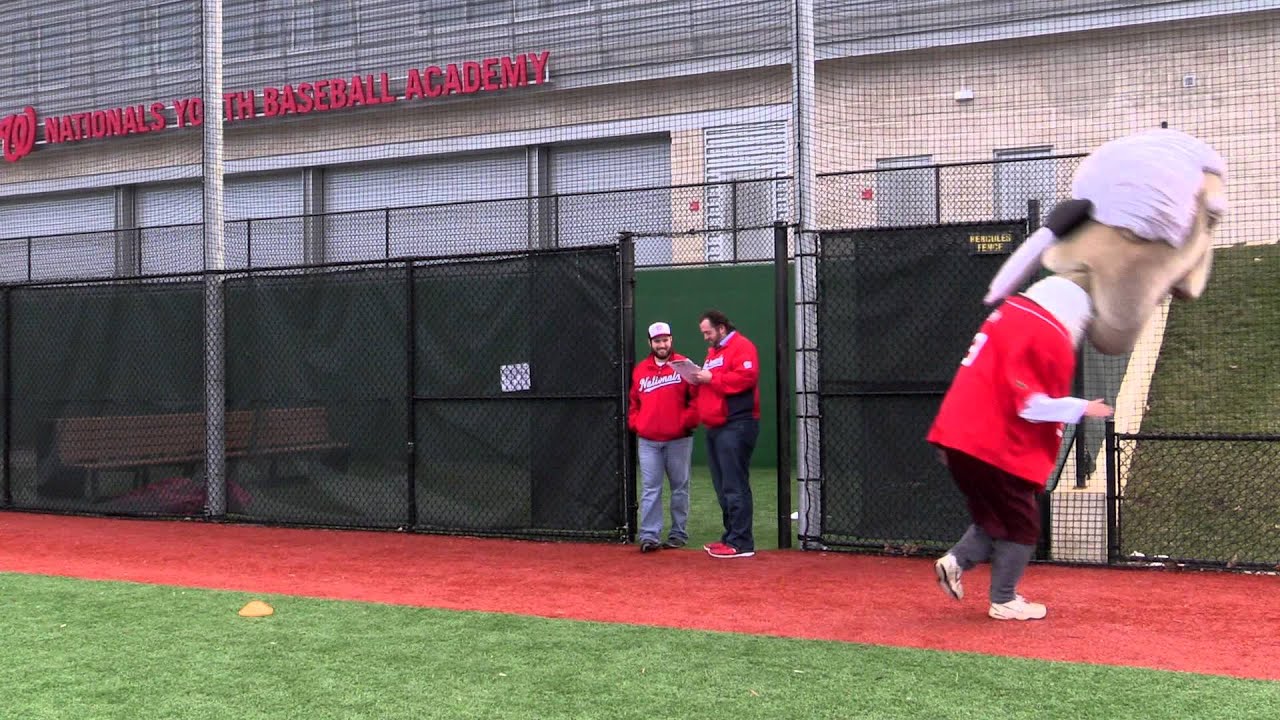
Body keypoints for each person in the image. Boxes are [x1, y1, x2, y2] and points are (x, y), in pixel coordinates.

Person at [927, 275, 1113, 620]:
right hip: (993, 449)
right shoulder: (1042, 333)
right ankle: (1004, 599)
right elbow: (1029, 404)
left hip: (959, 441)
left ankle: (954, 561)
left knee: (995, 518)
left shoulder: (1008, 317)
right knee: (1023, 525)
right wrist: (1082, 408)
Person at [690, 310, 760, 559]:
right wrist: (699, 377)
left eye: (708, 332)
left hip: (737, 424)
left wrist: (712, 377)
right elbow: (714, 381)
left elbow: (746, 378)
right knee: (722, 486)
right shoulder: (713, 354)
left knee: (734, 484)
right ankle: (730, 537)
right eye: (703, 333)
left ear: (721, 328)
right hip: (716, 426)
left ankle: (742, 542)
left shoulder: (742, 346)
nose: (705, 337)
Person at [628, 321, 698, 553]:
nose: (662, 344)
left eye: (666, 340)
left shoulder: (683, 365)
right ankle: (650, 536)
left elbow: (696, 398)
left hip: (678, 439)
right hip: (648, 441)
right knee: (651, 488)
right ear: (650, 343)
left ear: (671, 340)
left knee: (679, 487)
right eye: (657, 341)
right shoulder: (641, 370)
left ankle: (678, 534)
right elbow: (634, 402)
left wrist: (686, 421)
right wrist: (637, 423)